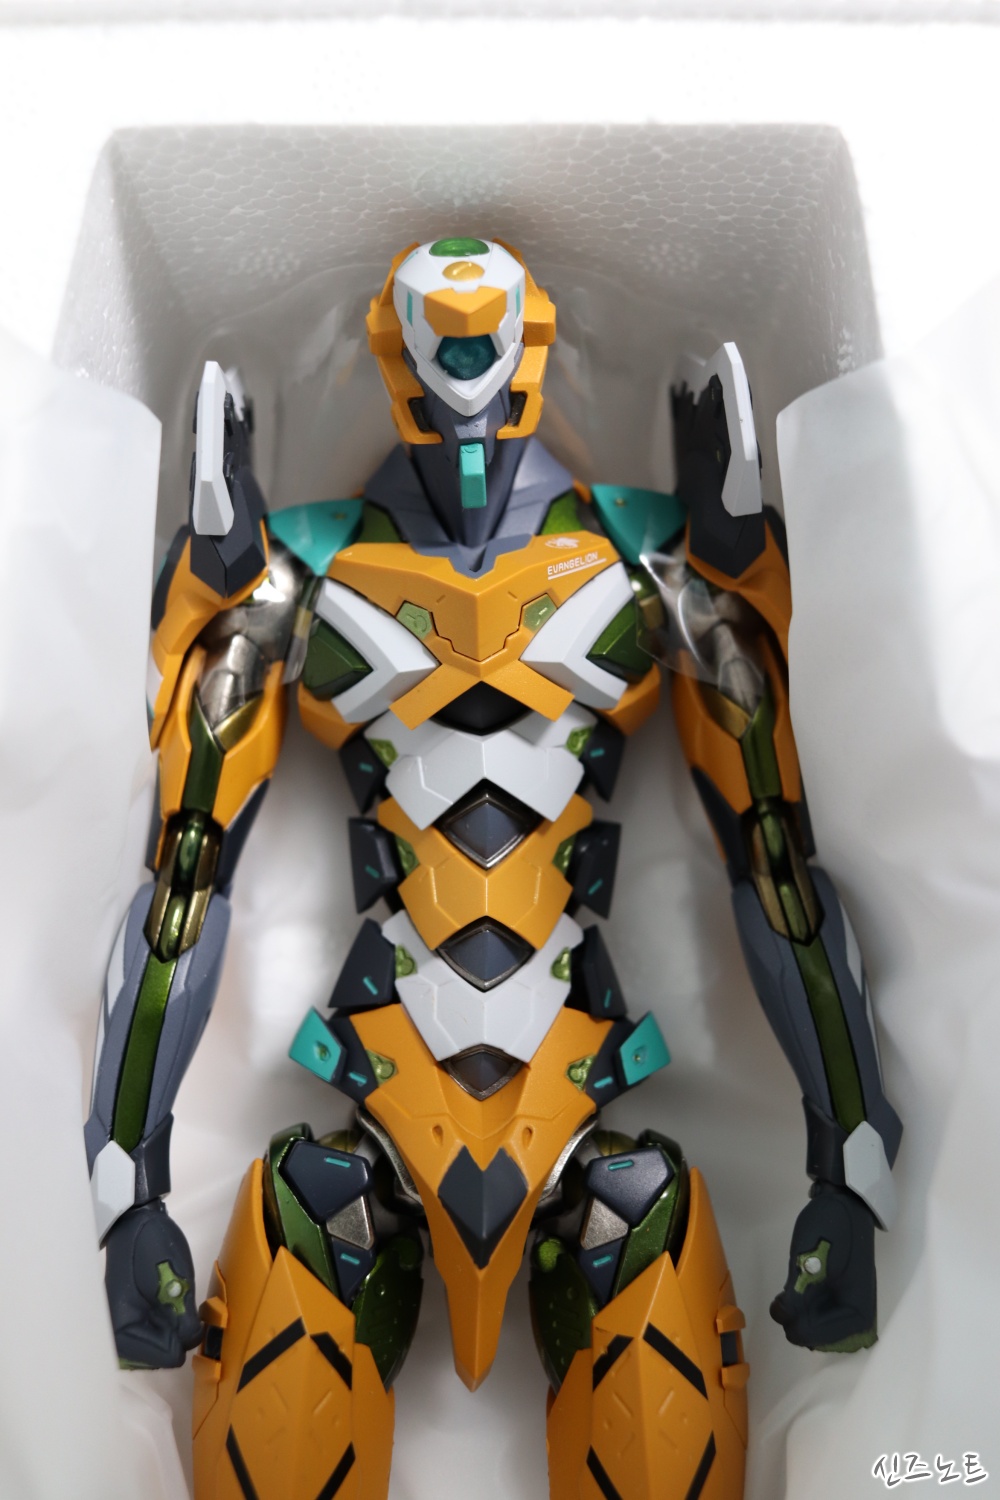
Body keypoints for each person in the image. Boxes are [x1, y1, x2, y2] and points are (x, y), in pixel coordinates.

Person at [85, 236, 901, 1500]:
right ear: (390, 353)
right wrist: (128, 1188)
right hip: (381, 1108)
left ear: (531, 348)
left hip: (575, 1109)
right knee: (299, 1304)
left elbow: (775, 855)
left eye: (488, 342)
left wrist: (849, 1164)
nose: (464, 378)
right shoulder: (305, 574)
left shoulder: (640, 561)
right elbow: (186, 876)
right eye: (438, 342)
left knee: (648, 1307)